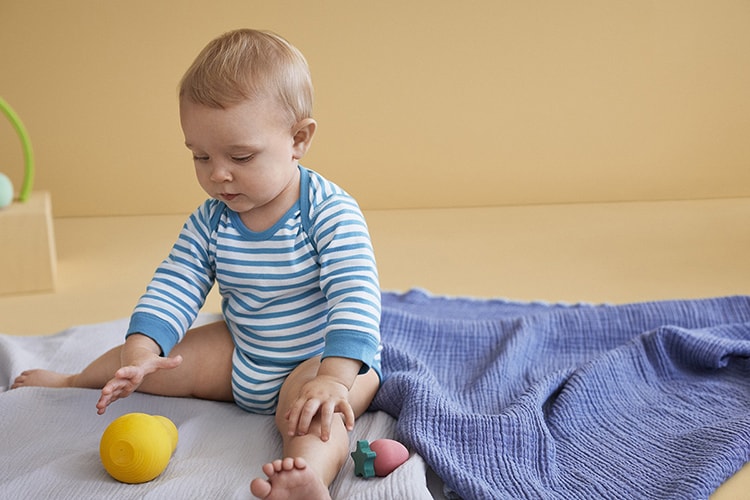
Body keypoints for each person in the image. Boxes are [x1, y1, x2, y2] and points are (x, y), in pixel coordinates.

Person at [12, 28, 382, 500]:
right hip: (244, 349)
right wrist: (144, 349)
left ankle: (307, 477)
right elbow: (177, 281)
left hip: (320, 359)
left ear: (298, 139)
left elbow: (356, 295)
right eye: (200, 156)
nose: (217, 174)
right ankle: (75, 378)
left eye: (241, 156)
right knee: (159, 360)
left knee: (313, 417)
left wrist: (334, 378)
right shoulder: (212, 220)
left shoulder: (329, 212)